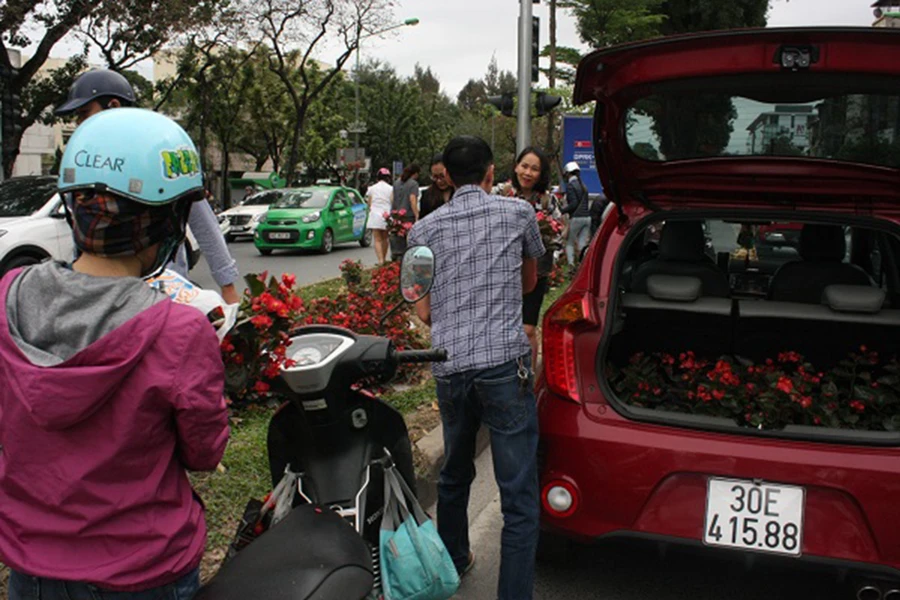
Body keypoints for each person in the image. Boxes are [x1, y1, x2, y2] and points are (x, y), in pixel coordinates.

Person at [0, 108, 229, 599]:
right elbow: (205, 452)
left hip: (31, 573)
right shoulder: (180, 330)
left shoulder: (8, 297)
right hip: (144, 571)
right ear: (168, 220)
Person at [407, 136, 544, 600]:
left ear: (445, 172)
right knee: (518, 495)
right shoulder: (518, 213)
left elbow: (423, 313)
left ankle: (455, 561)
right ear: (491, 174)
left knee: (453, 473)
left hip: (450, 369)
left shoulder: (421, 231)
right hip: (504, 367)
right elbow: (530, 282)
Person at [55, 69, 241, 304]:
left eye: (84, 113)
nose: (79, 123)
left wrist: (228, 287)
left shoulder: (158, 150)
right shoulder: (84, 160)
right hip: (101, 298)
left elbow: (203, 223)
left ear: (113, 105)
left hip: (163, 296)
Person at [500, 147, 559, 366]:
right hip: (504, 271)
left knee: (527, 328)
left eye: (534, 169)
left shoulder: (547, 201)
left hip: (536, 271)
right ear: (516, 167)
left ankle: (529, 376)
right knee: (504, 326)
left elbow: (558, 231)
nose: (528, 172)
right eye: (524, 166)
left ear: (541, 174)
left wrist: (543, 234)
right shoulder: (502, 195)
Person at [561, 161, 591, 270]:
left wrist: (562, 210)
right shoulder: (583, 186)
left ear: (567, 173)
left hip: (577, 217)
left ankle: (571, 266)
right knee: (582, 244)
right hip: (587, 217)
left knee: (569, 242)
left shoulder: (570, 186)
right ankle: (582, 266)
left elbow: (573, 204)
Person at [365, 167, 394, 264]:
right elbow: (392, 201)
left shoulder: (372, 188)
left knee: (377, 239)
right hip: (386, 216)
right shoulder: (391, 189)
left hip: (375, 215)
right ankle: (384, 258)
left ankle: (380, 260)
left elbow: (369, 203)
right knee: (385, 238)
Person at [419, 154, 454, 220]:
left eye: (442, 176)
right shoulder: (427, 195)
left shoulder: (460, 192)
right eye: (435, 177)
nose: (439, 181)